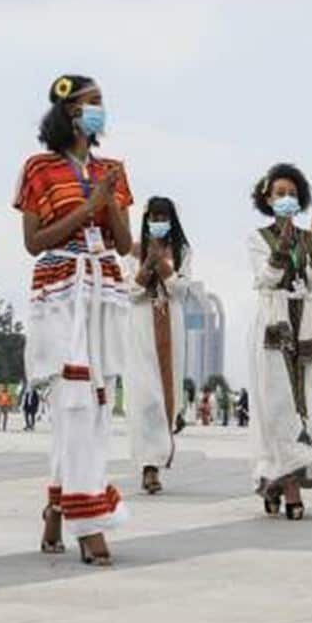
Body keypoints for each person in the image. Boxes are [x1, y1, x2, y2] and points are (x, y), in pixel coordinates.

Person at [15, 74, 133, 566]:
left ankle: (57, 506)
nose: (99, 110)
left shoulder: (112, 169)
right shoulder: (38, 168)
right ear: (68, 112)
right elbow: (34, 241)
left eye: (101, 102)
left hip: (102, 287)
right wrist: (87, 206)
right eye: (92, 103)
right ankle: (88, 521)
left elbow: (124, 244)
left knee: (93, 403)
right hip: (59, 290)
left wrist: (107, 203)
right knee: (73, 399)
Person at [246, 163, 312, 521]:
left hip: (304, 321)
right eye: (279, 193)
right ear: (267, 198)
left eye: (292, 194)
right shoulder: (257, 238)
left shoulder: (305, 237)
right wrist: (281, 247)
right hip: (274, 321)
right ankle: (286, 482)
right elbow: (266, 277)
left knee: (305, 402)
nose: (286, 199)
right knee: (277, 404)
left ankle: (279, 480)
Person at [124, 196, 193, 495]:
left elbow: (182, 288)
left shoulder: (182, 251)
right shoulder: (132, 251)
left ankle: (157, 464)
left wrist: (163, 264)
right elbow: (130, 291)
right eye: (154, 216)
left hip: (171, 323)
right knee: (143, 395)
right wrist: (146, 263)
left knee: (166, 394)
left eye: (164, 216)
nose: (159, 221)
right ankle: (146, 466)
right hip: (140, 325)